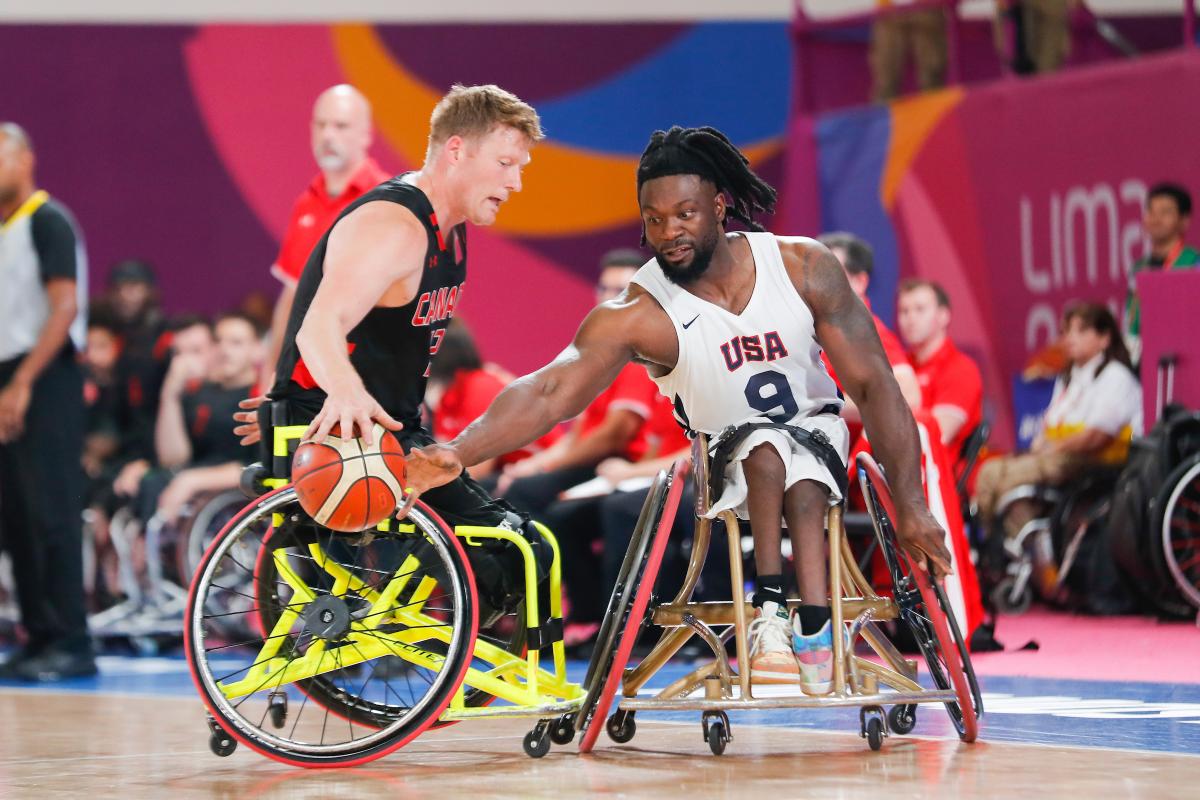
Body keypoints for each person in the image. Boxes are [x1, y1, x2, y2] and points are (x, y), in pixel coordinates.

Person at [403, 125, 951, 695]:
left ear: (718, 205)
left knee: (788, 452)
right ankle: (771, 617)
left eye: (685, 214)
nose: (669, 233)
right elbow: (549, 391)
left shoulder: (802, 266)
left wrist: (911, 504)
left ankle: (806, 623)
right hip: (721, 465)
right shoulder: (639, 310)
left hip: (817, 441)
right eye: (654, 219)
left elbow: (876, 385)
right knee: (761, 447)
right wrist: (457, 452)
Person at [235, 84, 548, 617]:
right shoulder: (396, 225)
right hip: (341, 432)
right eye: (503, 163)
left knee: (524, 550)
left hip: (391, 427)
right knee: (507, 554)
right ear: (456, 150)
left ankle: (482, 684)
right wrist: (328, 399)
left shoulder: (449, 229)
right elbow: (317, 328)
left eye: (519, 167)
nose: (515, 182)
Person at [0, 122, 94, 680]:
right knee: (16, 515)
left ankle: (72, 640)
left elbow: (64, 308)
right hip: (11, 373)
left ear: (25, 158)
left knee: (54, 511)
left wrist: (24, 381)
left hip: (45, 373)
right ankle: (38, 635)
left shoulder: (46, 219)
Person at [498, 249, 658, 517]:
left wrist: (547, 467)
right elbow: (577, 435)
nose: (608, 297)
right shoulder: (599, 354)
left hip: (614, 462)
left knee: (527, 493)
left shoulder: (639, 355)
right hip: (595, 461)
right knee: (507, 486)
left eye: (620, 290)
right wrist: (537, 464)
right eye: (604, 288)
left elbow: (613, 436)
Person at [975, 303, 1140, 539]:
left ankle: (1020, 555)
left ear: (1104, 338)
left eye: (1081, 331)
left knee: (1008, 481)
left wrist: (1053, 448)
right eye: (1067, 332)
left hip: (1096, 462)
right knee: (989, 473)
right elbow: (1051, 425)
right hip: (1061, 456)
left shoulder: (1116, 376)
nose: (1071, 338)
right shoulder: (1069, 377)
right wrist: (1042, 445)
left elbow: (1097, 437)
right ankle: (1003, 550)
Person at [262, 85, 391, 387]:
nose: (328, 135)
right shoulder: (306, 202)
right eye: (321, 125)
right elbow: (293, 292)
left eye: (341, 126)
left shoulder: (387, 200)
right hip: (305, 380)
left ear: (366, 134)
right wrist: (271, 373)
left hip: (365, 379)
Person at [896, 277, 983, 457]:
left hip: (935, 477)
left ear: (943, 316)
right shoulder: (899, 367)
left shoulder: (961, 369)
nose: (910, 318)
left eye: (920, 309)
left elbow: (935, 437)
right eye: (904, 311)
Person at [1124, 182, 1197, 364]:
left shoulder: (1194, 263)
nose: (1155, 219)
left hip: (1183, 360)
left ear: (1184, 220)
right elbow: (1131, 319)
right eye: (1151, 211)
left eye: (1165, 212)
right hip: (1141, 361)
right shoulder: (1138, 268)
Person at [870, 1, 947, 103]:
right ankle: (883, 114)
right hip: (889, 11)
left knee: (932, 77)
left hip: (927, 9)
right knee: (886, 78)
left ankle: (937, 110)